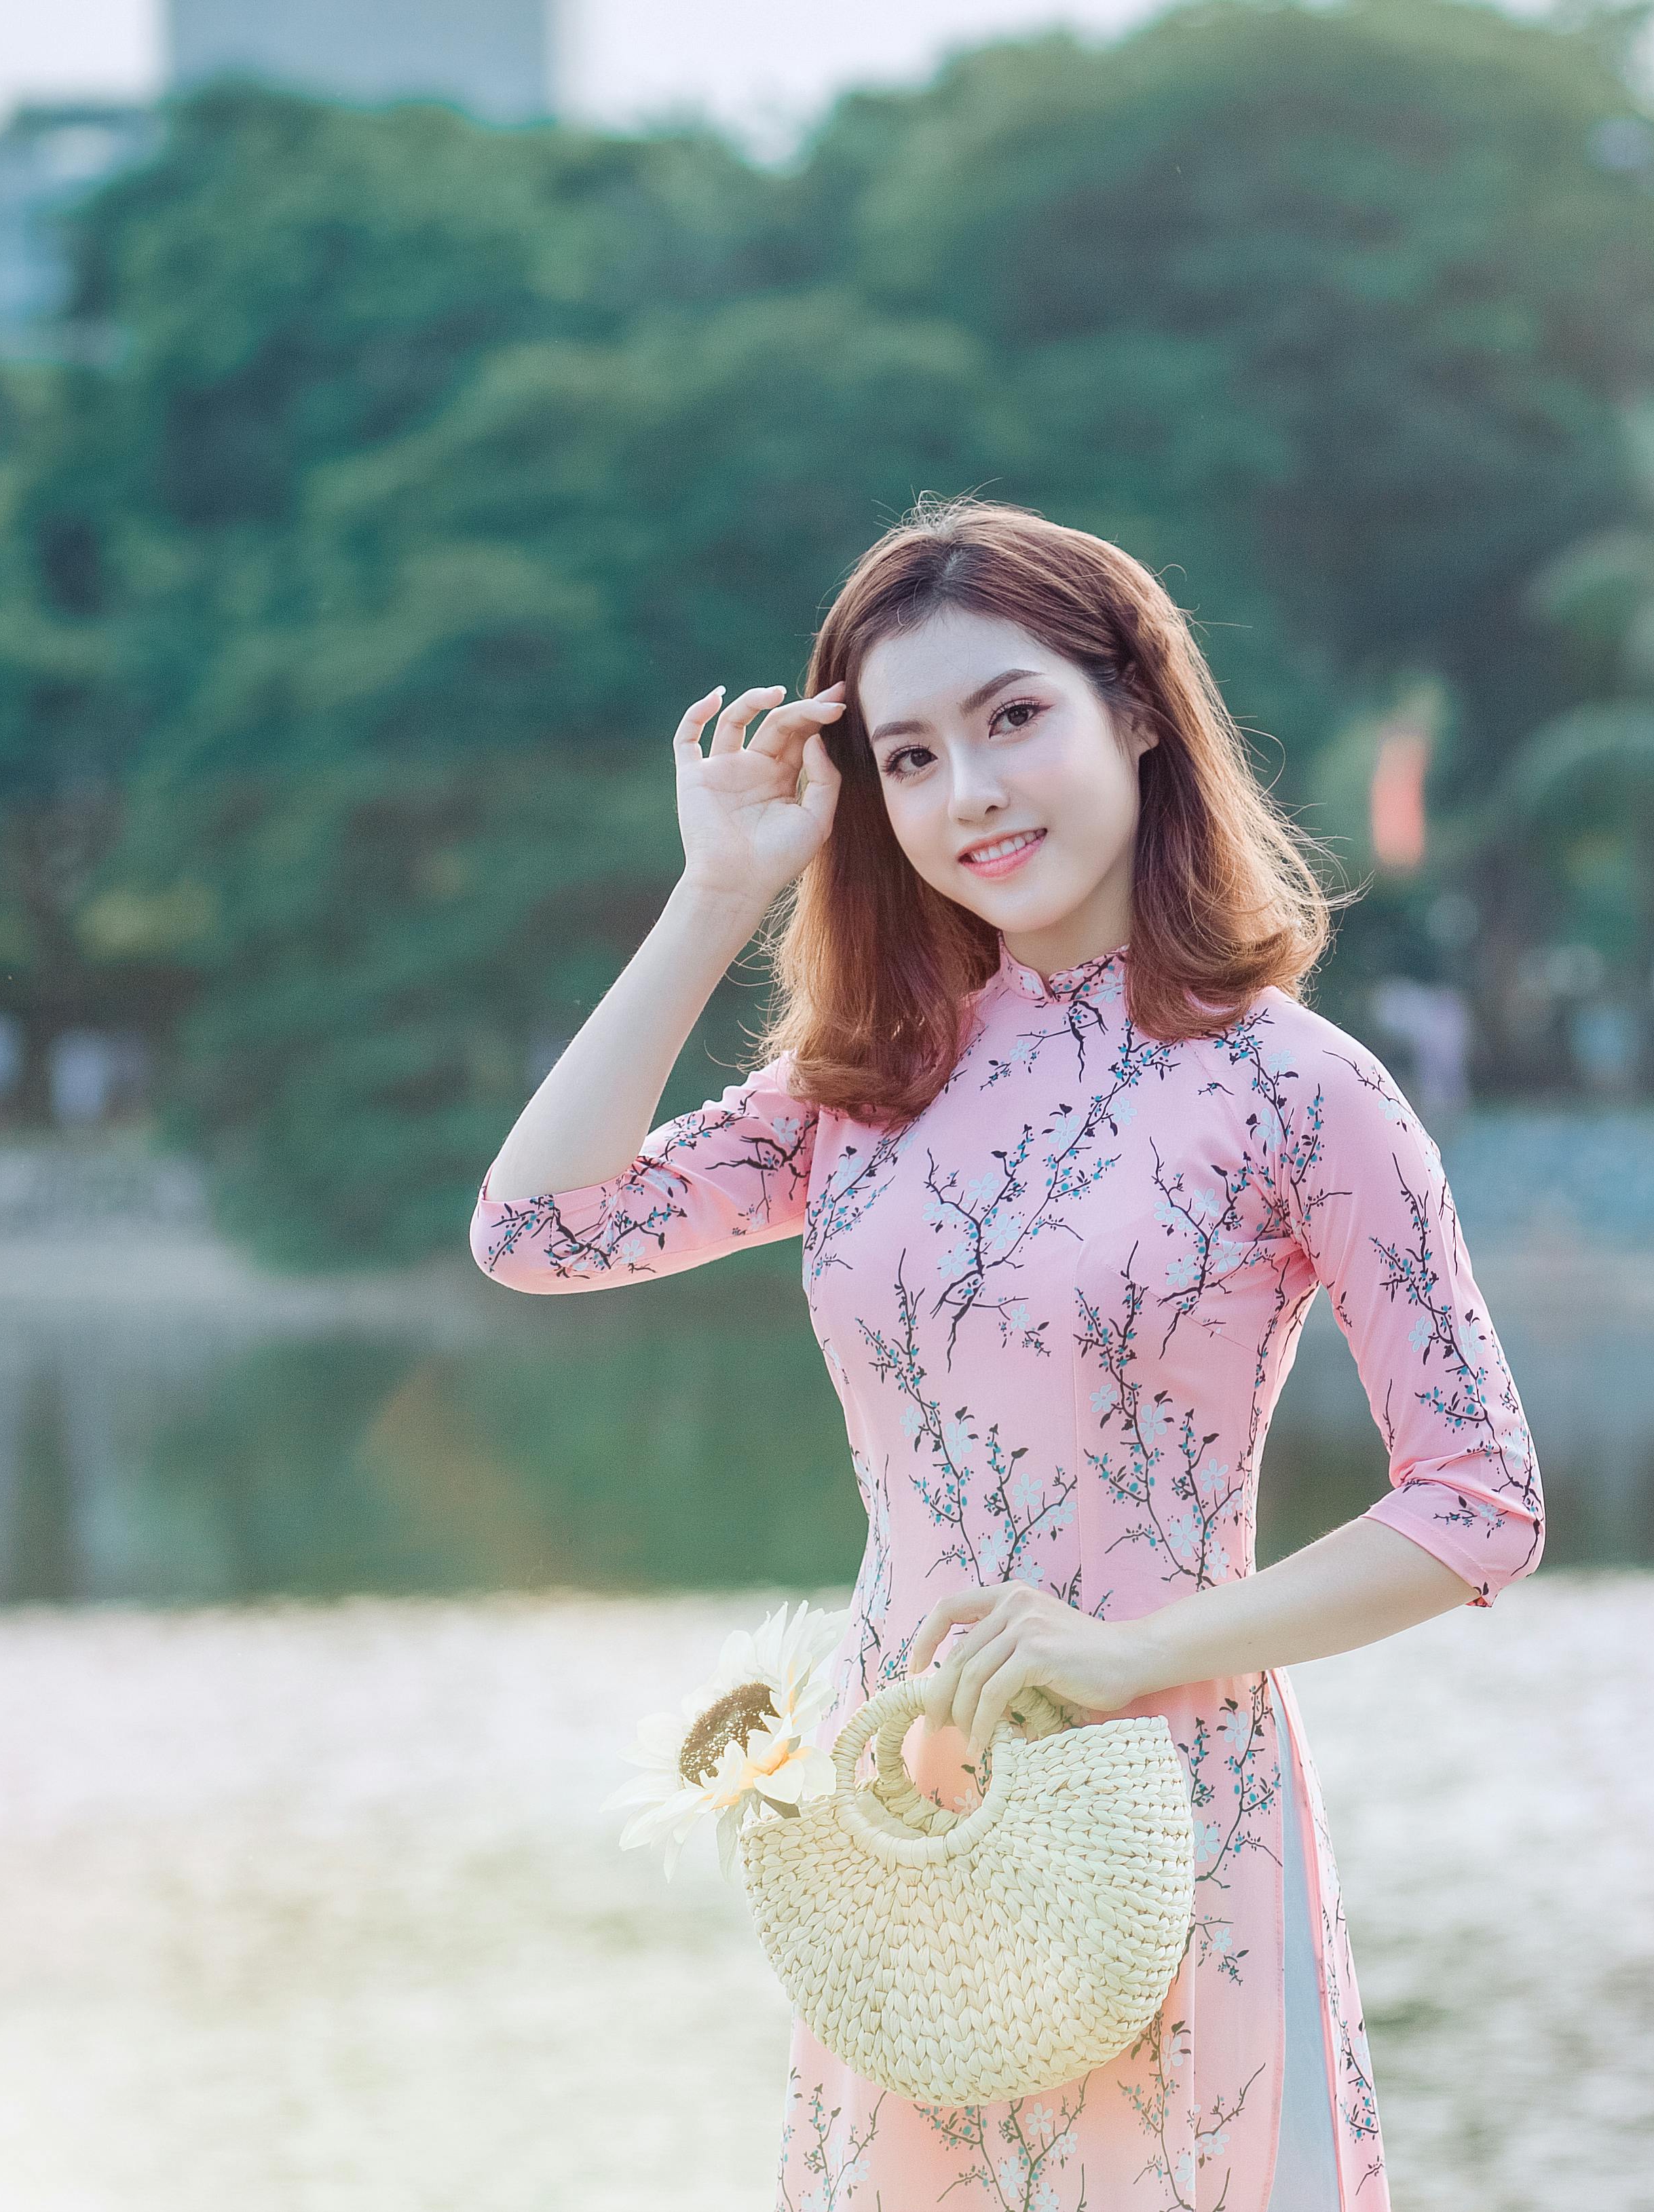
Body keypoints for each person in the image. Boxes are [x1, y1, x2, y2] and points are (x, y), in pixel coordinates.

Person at [468, 497, 1545, 2212]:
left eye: (1013, 718)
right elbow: (538, 1231)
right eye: (908, 756)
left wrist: (1139, 1657)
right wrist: (722, 887)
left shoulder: (1301, 1090)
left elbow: (1483, 1502)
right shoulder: (869, 1080)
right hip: (901, 1846)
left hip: (1163, 1808)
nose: (967, 793)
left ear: (1134, 709)